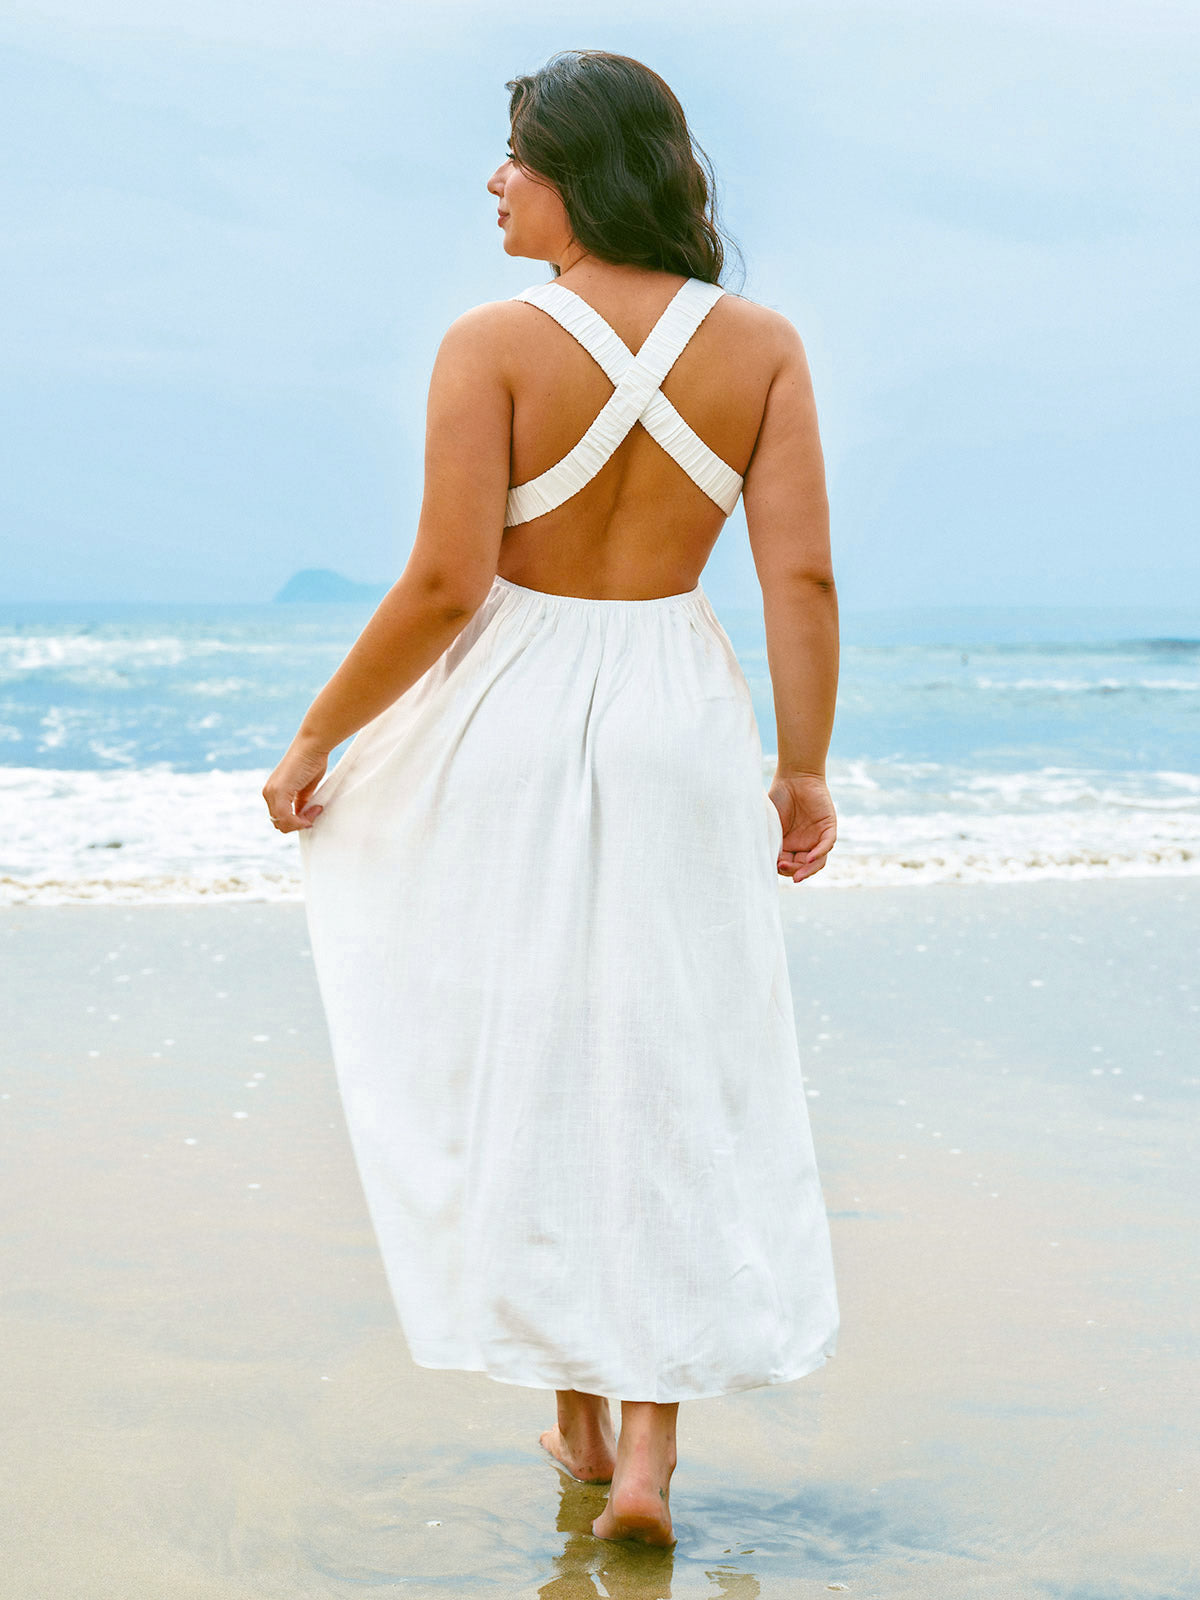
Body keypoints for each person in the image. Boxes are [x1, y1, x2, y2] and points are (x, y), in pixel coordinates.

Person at [262, 49, 840, 1550]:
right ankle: (637, 1447)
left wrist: (318, 737)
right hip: (676, 714)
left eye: (514, 156)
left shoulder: (490, 344)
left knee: (521, 1038)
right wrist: (804, 764)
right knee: (668, 1051)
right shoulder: (761, 345)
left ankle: (577, 1419)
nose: (496, 181)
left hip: (509, 718)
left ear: (578, 171)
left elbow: (451, 580)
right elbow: (801, 578)